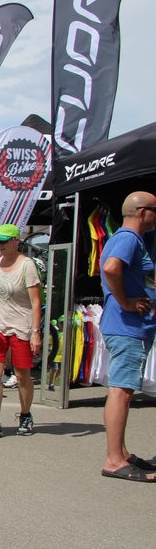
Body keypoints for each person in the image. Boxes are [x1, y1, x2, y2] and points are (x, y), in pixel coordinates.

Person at [98, 192, 156, 482]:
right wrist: (126, 302)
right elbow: (111, 269)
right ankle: (114, 460)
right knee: (121, 391)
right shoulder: (129, 238)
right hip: (126, 327)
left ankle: (120, 453)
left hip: (128, 327)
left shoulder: (130, 239)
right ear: (143, 212)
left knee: (122, 391)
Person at [0, 224, 42, 439]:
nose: (0, 245)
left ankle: (25, 414)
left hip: (21, 325)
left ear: (16, 241)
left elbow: (35, 302)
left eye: (4, 241)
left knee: (22, 374)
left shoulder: (27, 265)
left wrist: (35, 331)